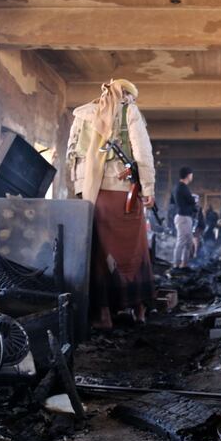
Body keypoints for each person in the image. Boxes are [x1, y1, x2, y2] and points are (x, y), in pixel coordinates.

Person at [71, 79, 156, 329]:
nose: (131, 101)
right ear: (125, 94)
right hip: (124, 194)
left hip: (94, 195)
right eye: (131, 96)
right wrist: (148, 188)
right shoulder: (129, 111)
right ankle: (139, 309)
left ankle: (104, 314)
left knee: (100, 254)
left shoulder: (83, 114)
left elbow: (72, 155)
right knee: (136, 251)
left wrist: (79, 191)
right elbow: (143, 152)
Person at [172, 167, 196, 268]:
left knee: (188, 242)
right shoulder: (183, 188)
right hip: (184, 217)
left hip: (182, 216)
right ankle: (176, 264)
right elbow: (191, 201)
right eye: (191, 174)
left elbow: (172, 201)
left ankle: (183, 263)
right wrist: (194, 201)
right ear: (188, 175)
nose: (192, 176)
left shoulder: (177, 187)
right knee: (182, 241)